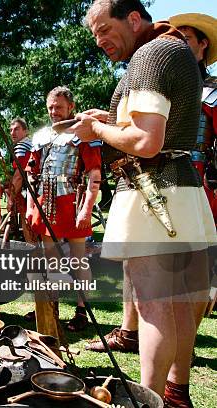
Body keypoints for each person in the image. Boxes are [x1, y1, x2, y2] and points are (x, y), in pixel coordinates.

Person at [75, 1, 216, 405]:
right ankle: (176, 394)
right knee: (179, 305)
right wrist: (112, 119)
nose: (100, 41)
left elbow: (146, 142)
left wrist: (97, 128)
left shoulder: (150, 54)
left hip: (154, 194)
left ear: (133, 19)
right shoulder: (174, 48)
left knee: (153, 306)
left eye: (104, 29)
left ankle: (149, 401)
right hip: (180, 191)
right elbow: (158, 126)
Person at [24, 86, 102, 332]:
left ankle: (82, 310)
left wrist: (86, 210)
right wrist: (29, 206)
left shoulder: (84, 134)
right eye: (50, 107)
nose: (54, 112)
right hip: (46, 202)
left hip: (73, 201)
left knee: (79, 259)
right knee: (51, 259)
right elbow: (31, 174)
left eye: (59, 107)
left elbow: (94, 175)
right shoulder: (41, 136)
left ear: (71, 107)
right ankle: (52, 307)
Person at [5, 117, 36, 243]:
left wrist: (11, 200)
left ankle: (34, 254)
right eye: (11, 130)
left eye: (17, 129)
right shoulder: (32, 144)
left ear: (26, 131)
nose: (13, 133)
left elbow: (18, 176)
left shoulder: (22, 146)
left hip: (29, 191)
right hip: (38, 189)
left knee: (27, 221)